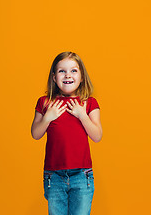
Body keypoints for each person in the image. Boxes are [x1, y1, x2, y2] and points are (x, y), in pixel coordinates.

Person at [31, 51, 103, 215]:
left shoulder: (88, 103)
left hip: (81, 174)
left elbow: (97, 136)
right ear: (54, 77)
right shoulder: (46, 102)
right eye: (62, 71)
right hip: (54, 176)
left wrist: (82, 115)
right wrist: (47, 118)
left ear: (82, 76)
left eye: (73, 70)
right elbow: (35, 133)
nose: (67, 75)